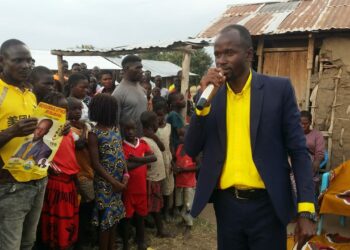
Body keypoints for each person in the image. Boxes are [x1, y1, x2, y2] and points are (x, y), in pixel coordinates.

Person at [185, 24, 316, 250]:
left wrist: (306, 209)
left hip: (268, 204)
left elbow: (298, 152)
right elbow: (191, 147)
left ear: (249, 55)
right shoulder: (211, 97)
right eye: (217, 54)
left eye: (229, 53)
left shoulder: (278, 90)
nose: (221, 60)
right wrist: (201, 105)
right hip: (227, 205)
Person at [0, 39, 44, 250]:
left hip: (36, 179)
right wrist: (12, 131)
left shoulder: (30, 92)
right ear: (2, 61)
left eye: (29, 60)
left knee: (28, 242)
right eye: (18, 60)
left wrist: (54, 130)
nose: (26, 65)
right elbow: (15, 133)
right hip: (9, 185)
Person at [40, 92, 80, 249]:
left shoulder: (68, 131)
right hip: (57, 182)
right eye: (60, 109)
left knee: (68, 219)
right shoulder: (45, 132)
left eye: (66, 109)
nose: (64, 113)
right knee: (57, 220)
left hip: (69, 181)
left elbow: (71, 155)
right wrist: (50, 167)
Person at [88, 94, 128, 250]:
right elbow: (96, 163)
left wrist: (125, 175)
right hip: (105, 184)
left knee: (115, 218)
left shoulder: (115, 129)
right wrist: (114, 182)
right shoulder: (94, 133)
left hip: (118, 182)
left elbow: (121, 154)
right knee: (106, 220)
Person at [120, 118, 157, 250]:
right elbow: (127, 166)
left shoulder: (141, 143)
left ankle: (141, 241)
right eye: (127, 129)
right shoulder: (122, 146)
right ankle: (126, 244)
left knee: (141, 216)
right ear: (122, 130)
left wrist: (137, 159)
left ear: (137, 129)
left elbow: (154, 157)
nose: (130, 132)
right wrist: (143, 161)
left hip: (142, 189)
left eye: (133, 129)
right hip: (128, 190)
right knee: (127, 218)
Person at [67, 97, 96, 249]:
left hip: (88, 170)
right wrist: (85, 128)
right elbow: (80, 144)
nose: (78, 111)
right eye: (74, 109)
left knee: (88, 205)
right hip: (79, 174)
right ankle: (81, 240)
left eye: (80, 108)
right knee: (85, 206)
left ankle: (85, 237)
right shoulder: (68, 129)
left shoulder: (82, 125)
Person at [141, 111, 172, 238]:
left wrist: (154, 136)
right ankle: (159, 230)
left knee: (155, 204)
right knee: (154, 205)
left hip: (156, 177)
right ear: (151, 124)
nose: (158, 123)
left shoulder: (152, 137)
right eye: (156, 122)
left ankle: (155, 226)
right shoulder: (144, 140)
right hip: (151, 178)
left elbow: (163, 148)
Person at [112, 55, 147, 136]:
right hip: (127, 143)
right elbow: (115, 124)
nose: (141, 71)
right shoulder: (118, 93)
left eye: (141, 68)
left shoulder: (142, 89)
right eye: (137, 68)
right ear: (126, 68)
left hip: (141, 143)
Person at [154, 102, 175, 222]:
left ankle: (166, 211)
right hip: (157, 160)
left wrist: (173, 161)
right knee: (158, 187)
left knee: (167, 187)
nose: (159, 118)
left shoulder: (169, 127)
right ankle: (158, 211)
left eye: (161, 115)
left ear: (165, 115)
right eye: (157, 115)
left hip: (167, 159)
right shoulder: (153, 130)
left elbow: (171, 144)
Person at [174, 133, 197, 238]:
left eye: (183, 135)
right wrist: (174, 167)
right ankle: (184, 220)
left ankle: (189, 226)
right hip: (179, 181)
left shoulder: (194, 150)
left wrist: (183, 170)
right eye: (180, 135)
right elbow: (175, 160)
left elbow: (198, 167)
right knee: (179, 203)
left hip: (189, 183)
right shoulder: (179, 148)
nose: (181, 137)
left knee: (188, 205)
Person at [300, 110, 325, 202]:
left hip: (308, 161)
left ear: (310, 122)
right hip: (294, 160)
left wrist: (317, 161)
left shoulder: (317, 135)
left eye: (305, 123)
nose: (302, 126)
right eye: (300, 123)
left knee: (307, 181)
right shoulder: (294, 134)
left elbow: (320, 152)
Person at [167, 92, 186, 157]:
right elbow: (180, 133)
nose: (184, 101)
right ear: (173, 103)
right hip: (175, 147)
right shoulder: (173, 115)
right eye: (181, 99)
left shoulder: (176, 114)